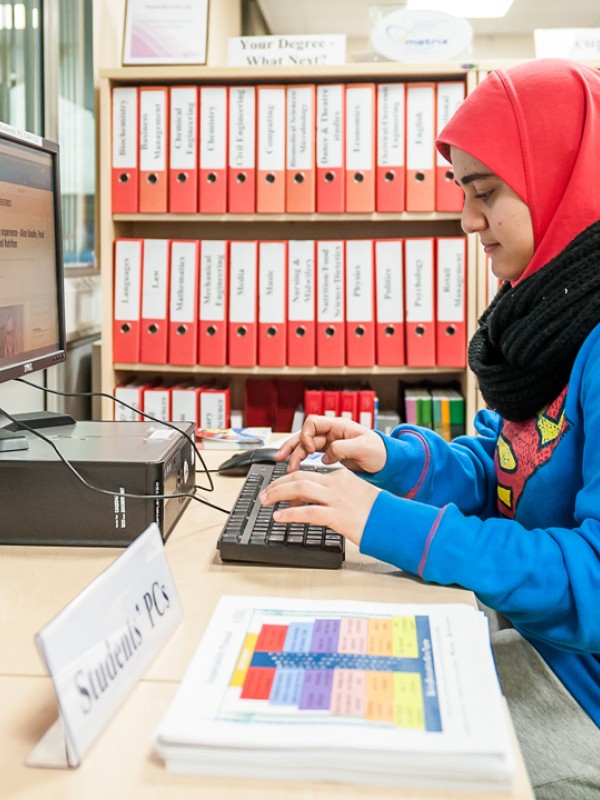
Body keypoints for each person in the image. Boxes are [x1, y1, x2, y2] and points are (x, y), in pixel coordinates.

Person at [260, 58, 600, 800]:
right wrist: (385, 455)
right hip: (533, 646)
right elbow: (501, 466)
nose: (467, 219)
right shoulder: (547, 318)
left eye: (486, 194)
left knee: (331, 764)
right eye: (463, 193)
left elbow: (595, 582)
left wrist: (386, 522)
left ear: (561, 182)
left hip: (582, 700)